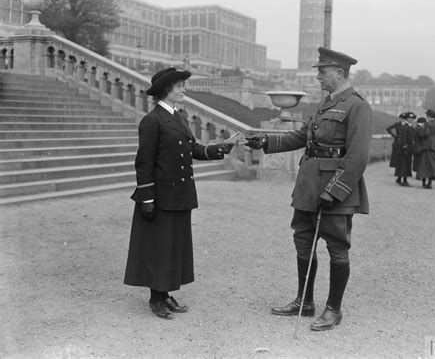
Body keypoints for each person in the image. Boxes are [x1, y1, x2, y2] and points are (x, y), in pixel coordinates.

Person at [246, 47, 372, 332]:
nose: (318, 77)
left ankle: (333, 309)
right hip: (308, 186)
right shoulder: (322, 105)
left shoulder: (357, 105)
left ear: (339, 73)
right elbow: (302, 136)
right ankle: (304, 301)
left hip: (335, 188)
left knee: (337, 247)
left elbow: (358, 155)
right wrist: (266, 141)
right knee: (303, 242)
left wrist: (335, 189)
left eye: (322, 72)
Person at [124, 68, 234, 319]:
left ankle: (165, 293)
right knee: (159, 246)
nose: (184, 90)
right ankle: (156, 298)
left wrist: (219, 149)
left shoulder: (178, 117)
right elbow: (144, 163)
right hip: (161, 197)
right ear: (167, 90)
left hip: (179, 195)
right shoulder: (152, 121)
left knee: (173, 246)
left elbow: (193, 148)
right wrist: (147, 197)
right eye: (179, 86)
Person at [416, 109, 435, 188]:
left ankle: (424, 182)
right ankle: (430, 182)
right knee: (433, 164)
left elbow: (426, 134)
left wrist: (421, 133)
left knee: (424, 164)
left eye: (427, 115)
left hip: (428, 144)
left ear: (429, 116)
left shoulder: (427, 123)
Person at [386, 112, 416, 186]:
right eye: (410, 118)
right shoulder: (405, 127)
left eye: (412, 118)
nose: (411, 120)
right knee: (405, 164)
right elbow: (404, 138)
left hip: (405, 148)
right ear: (407, 119)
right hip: (405, 149)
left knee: (402, 164)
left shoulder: (409, 126)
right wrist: (405, 146)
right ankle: (404, 180)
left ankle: (399, 178)